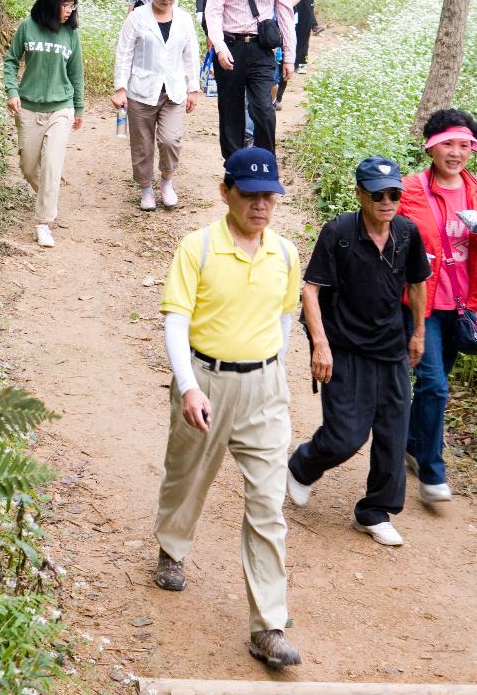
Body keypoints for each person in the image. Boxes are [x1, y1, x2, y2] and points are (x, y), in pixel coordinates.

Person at [153, 146, 301, 670]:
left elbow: (284, 322)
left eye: (270, 196)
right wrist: (190, 386)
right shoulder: (198, 249)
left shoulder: (284, 253)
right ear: (226, 192)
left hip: (264, 389)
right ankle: (172, 547)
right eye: (250, 194)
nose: (261, 205)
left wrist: (272, 373)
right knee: (187, 476)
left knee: (267, 505)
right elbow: (175, 320)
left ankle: (269, 624)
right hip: (206, 383)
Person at [287, 157, 431, 547]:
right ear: (359, 194)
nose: (387, 201)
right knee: (346, 436)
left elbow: (417, 284)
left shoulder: (406, 233)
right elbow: (310, 291)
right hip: (344, 348)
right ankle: (302, 466)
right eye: (377, 194)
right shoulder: (339, 233)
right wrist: (320, 344)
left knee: (392, 433)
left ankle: (374, 511)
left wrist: (418, 332)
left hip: (391, 349)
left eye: (394, 193)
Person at [397, 109, 477, 502]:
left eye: (464, 145)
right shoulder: (410, 189)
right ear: (431, 146)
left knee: (433, 386)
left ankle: (412, 445)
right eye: (448, 144)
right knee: (434, 385)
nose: (456, 152)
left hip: (464, 305)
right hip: (422, 303)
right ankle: (432, 472)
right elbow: (389, 234)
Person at [3, 0, 84, 248]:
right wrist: (12, 92)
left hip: (61, 107)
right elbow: (11, 60)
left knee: (51, 162)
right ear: (51, 3)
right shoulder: (27, 28)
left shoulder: (71, 34)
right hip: (28, 107)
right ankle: (49, 194)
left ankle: (43, 222)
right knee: (28, 168)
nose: (70, 10)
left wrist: (79, 107)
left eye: (73, 5)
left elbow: (76, 74)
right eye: (65, 5)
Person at [112, 0, 199, 211]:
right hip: (141, 90)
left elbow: (190, 53)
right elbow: (124, 53)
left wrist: (193, 87)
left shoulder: (183, 19)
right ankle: (146, 188)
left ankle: (167, 181)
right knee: (142, 143)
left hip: (173, 90)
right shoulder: (136, 18)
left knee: (170, 139)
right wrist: (120, 87)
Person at [204, 0, 295, 159]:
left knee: (264, 108)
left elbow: (285, 16)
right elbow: (212, 11)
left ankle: (266, 161)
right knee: (230, 108)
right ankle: (233, 164)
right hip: (230, 48)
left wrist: (289, 56)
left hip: (261, 49)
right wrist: (220, 47)